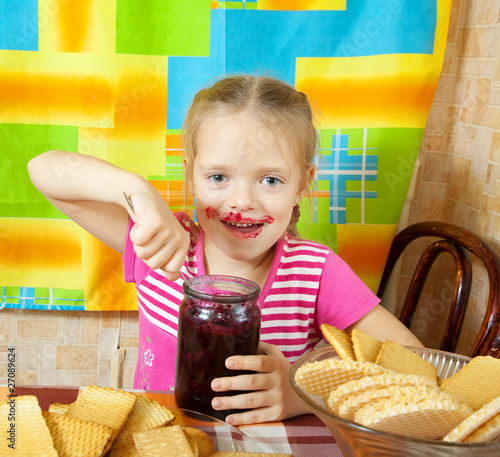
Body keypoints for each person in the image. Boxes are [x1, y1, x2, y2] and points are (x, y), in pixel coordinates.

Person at [28, 74, 422, 426]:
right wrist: (135, 191)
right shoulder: (161, 245)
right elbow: (43, 169)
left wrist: (304, 393)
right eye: (218, 177)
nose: (242, 201)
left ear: (303, 184)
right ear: (191, 176)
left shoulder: (315, 272)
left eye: (270, 179)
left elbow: (415, 363)